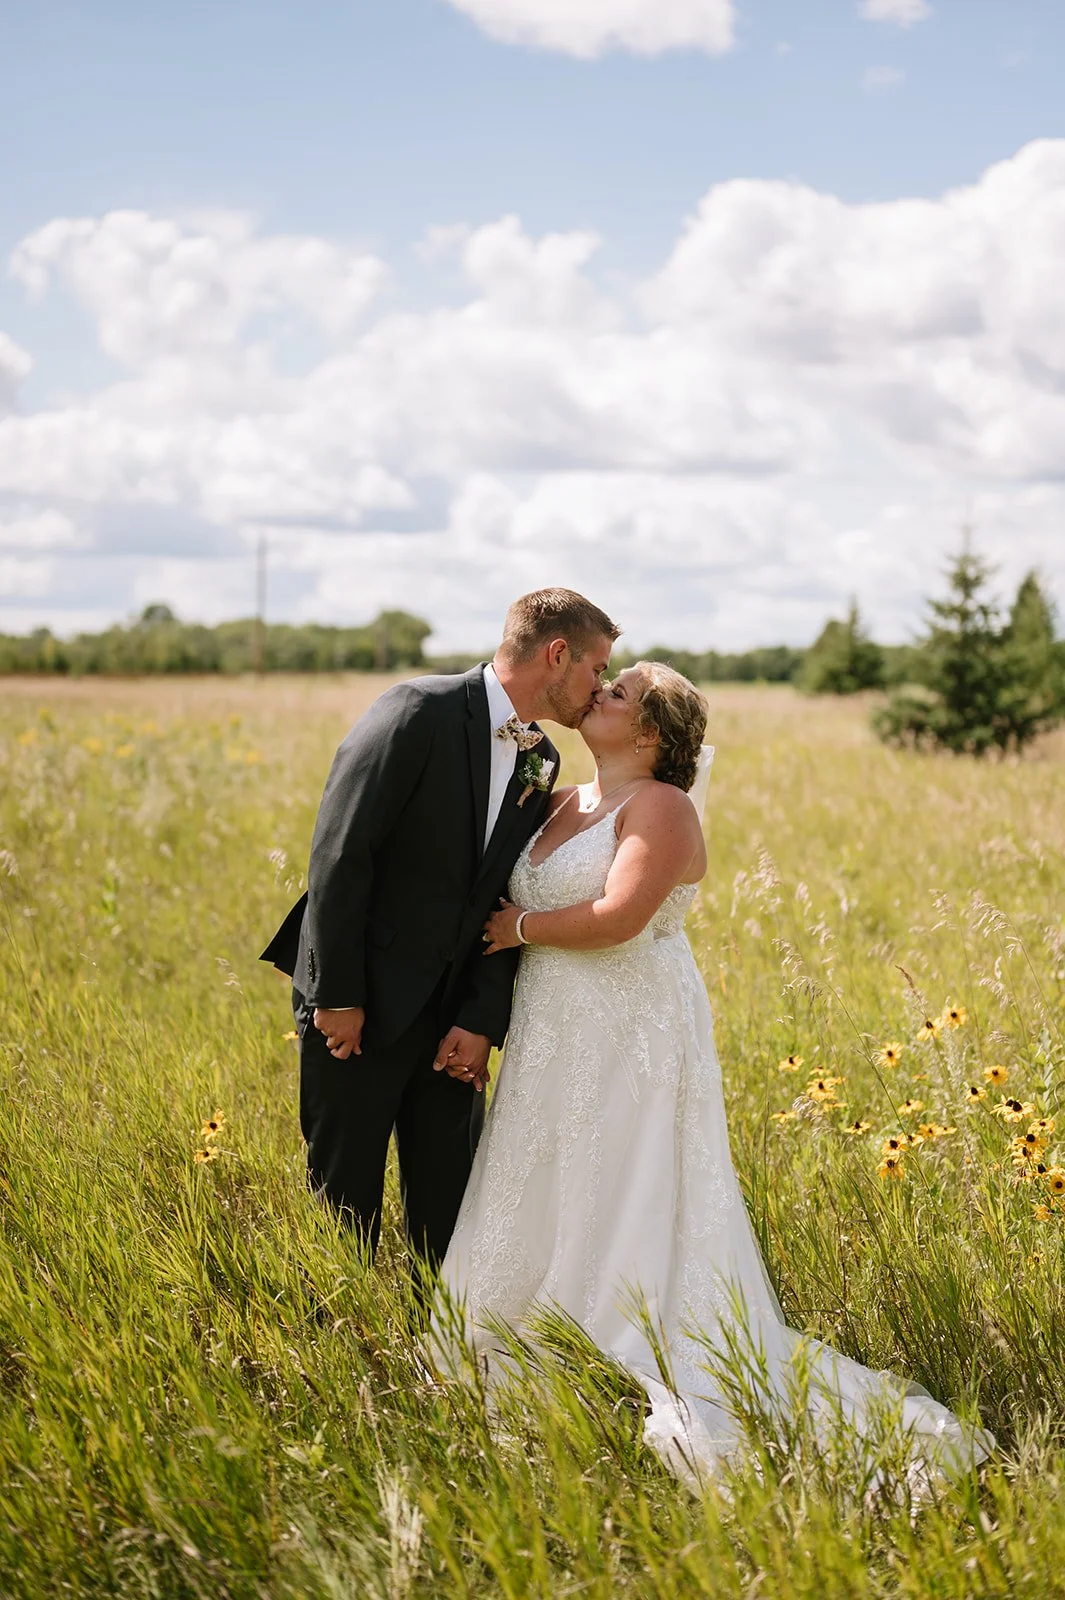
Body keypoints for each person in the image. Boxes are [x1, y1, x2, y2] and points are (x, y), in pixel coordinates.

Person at [438, 661, 994, 1486]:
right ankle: (524, 1328)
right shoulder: (558, 801)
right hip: (556, 1027)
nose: (599, 693)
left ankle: (623, 1333)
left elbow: (619, 918)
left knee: (620, 1176)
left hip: (629, 1029)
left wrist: (517, 924)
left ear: (653, 733)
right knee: (544, 1164)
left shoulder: (660, 808)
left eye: (618, 693)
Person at [261, 588, 619, 1278]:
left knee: (450, 1203)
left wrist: (481, 1018)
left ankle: (439, 1348)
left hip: (452, 1024)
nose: (598, 685)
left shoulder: (539, 756)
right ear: (556, 654)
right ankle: (343, 1346)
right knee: (343, 1198)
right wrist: (336, 995)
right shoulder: (414, 710)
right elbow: (340, 854)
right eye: (596, 667)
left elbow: (507, 893)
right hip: (357, 1006)